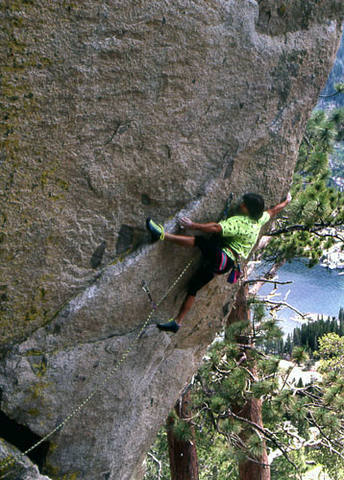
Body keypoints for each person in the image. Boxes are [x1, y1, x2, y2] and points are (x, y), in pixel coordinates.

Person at [146, 192, 292, 333]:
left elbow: (216, 228)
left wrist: (193, 225)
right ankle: (178, 322)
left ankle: (161, 235)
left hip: (223, 258)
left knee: (201, 241)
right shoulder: (259, 220)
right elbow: (272, 211)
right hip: (225, 265)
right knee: (193, 287)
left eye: (244, 204)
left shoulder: (241, 222)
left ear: (248, 209)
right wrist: (286, 202)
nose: (241, 205)